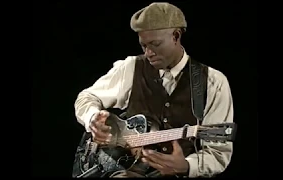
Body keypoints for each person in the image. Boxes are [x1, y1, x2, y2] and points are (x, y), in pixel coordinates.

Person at [74, 2, 234, 178]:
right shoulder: (131, 67)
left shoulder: (214, 82)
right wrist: (92, 118)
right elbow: (86, 97)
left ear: (176, 36)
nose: (149, 52)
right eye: (144, 45)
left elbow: (218, 154)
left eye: (155, 44)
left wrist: (187, 166)